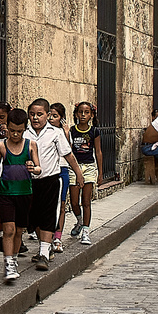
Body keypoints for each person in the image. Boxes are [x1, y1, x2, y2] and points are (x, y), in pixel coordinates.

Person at [25, 99, 74, 269]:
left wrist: (79, 174)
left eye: (40, 114)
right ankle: (45, 247)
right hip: (30, 182)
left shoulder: (55, 133)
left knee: (48, 216)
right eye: (32, 114)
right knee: (33, 219)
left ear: (47, 115)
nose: (35, 118)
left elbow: (68, 154)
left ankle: (44, 253)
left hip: (50, 180)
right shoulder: (25, 134)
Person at [0, 108, 37, 284]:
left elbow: (39, 167)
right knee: (8, 230)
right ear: (6, 128)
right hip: (6, 193)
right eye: (12, 131)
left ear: (25, 129)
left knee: (19, 230)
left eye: (19, 131)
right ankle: (8, 264)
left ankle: (14, 258)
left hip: (25, 193)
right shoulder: (1, 146)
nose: (15, 134)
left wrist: (34, 167)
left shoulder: (31, 145)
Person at [66, 102, 103, 244]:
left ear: (91, 115)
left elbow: (98, 152)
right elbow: (69, 150)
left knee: (86, 201)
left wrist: (100, 173)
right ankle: (79, 220)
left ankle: (86, 232)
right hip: (75, 168)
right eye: (80, 112)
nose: (83, 115)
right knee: (74, 202)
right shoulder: (72, 130)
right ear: (76, 114)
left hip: (88, 167)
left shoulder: (94, 131)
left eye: (86, 112)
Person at [46, 102, 78, 253]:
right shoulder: (43, 132)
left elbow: (68, 152)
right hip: (47, 171)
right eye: (50, 115)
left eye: (55, 116)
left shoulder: (64, 132)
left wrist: (65, 133)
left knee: (62, 205)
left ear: (62, 118)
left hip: (62, 169)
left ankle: (57, 237)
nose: (51, 118)